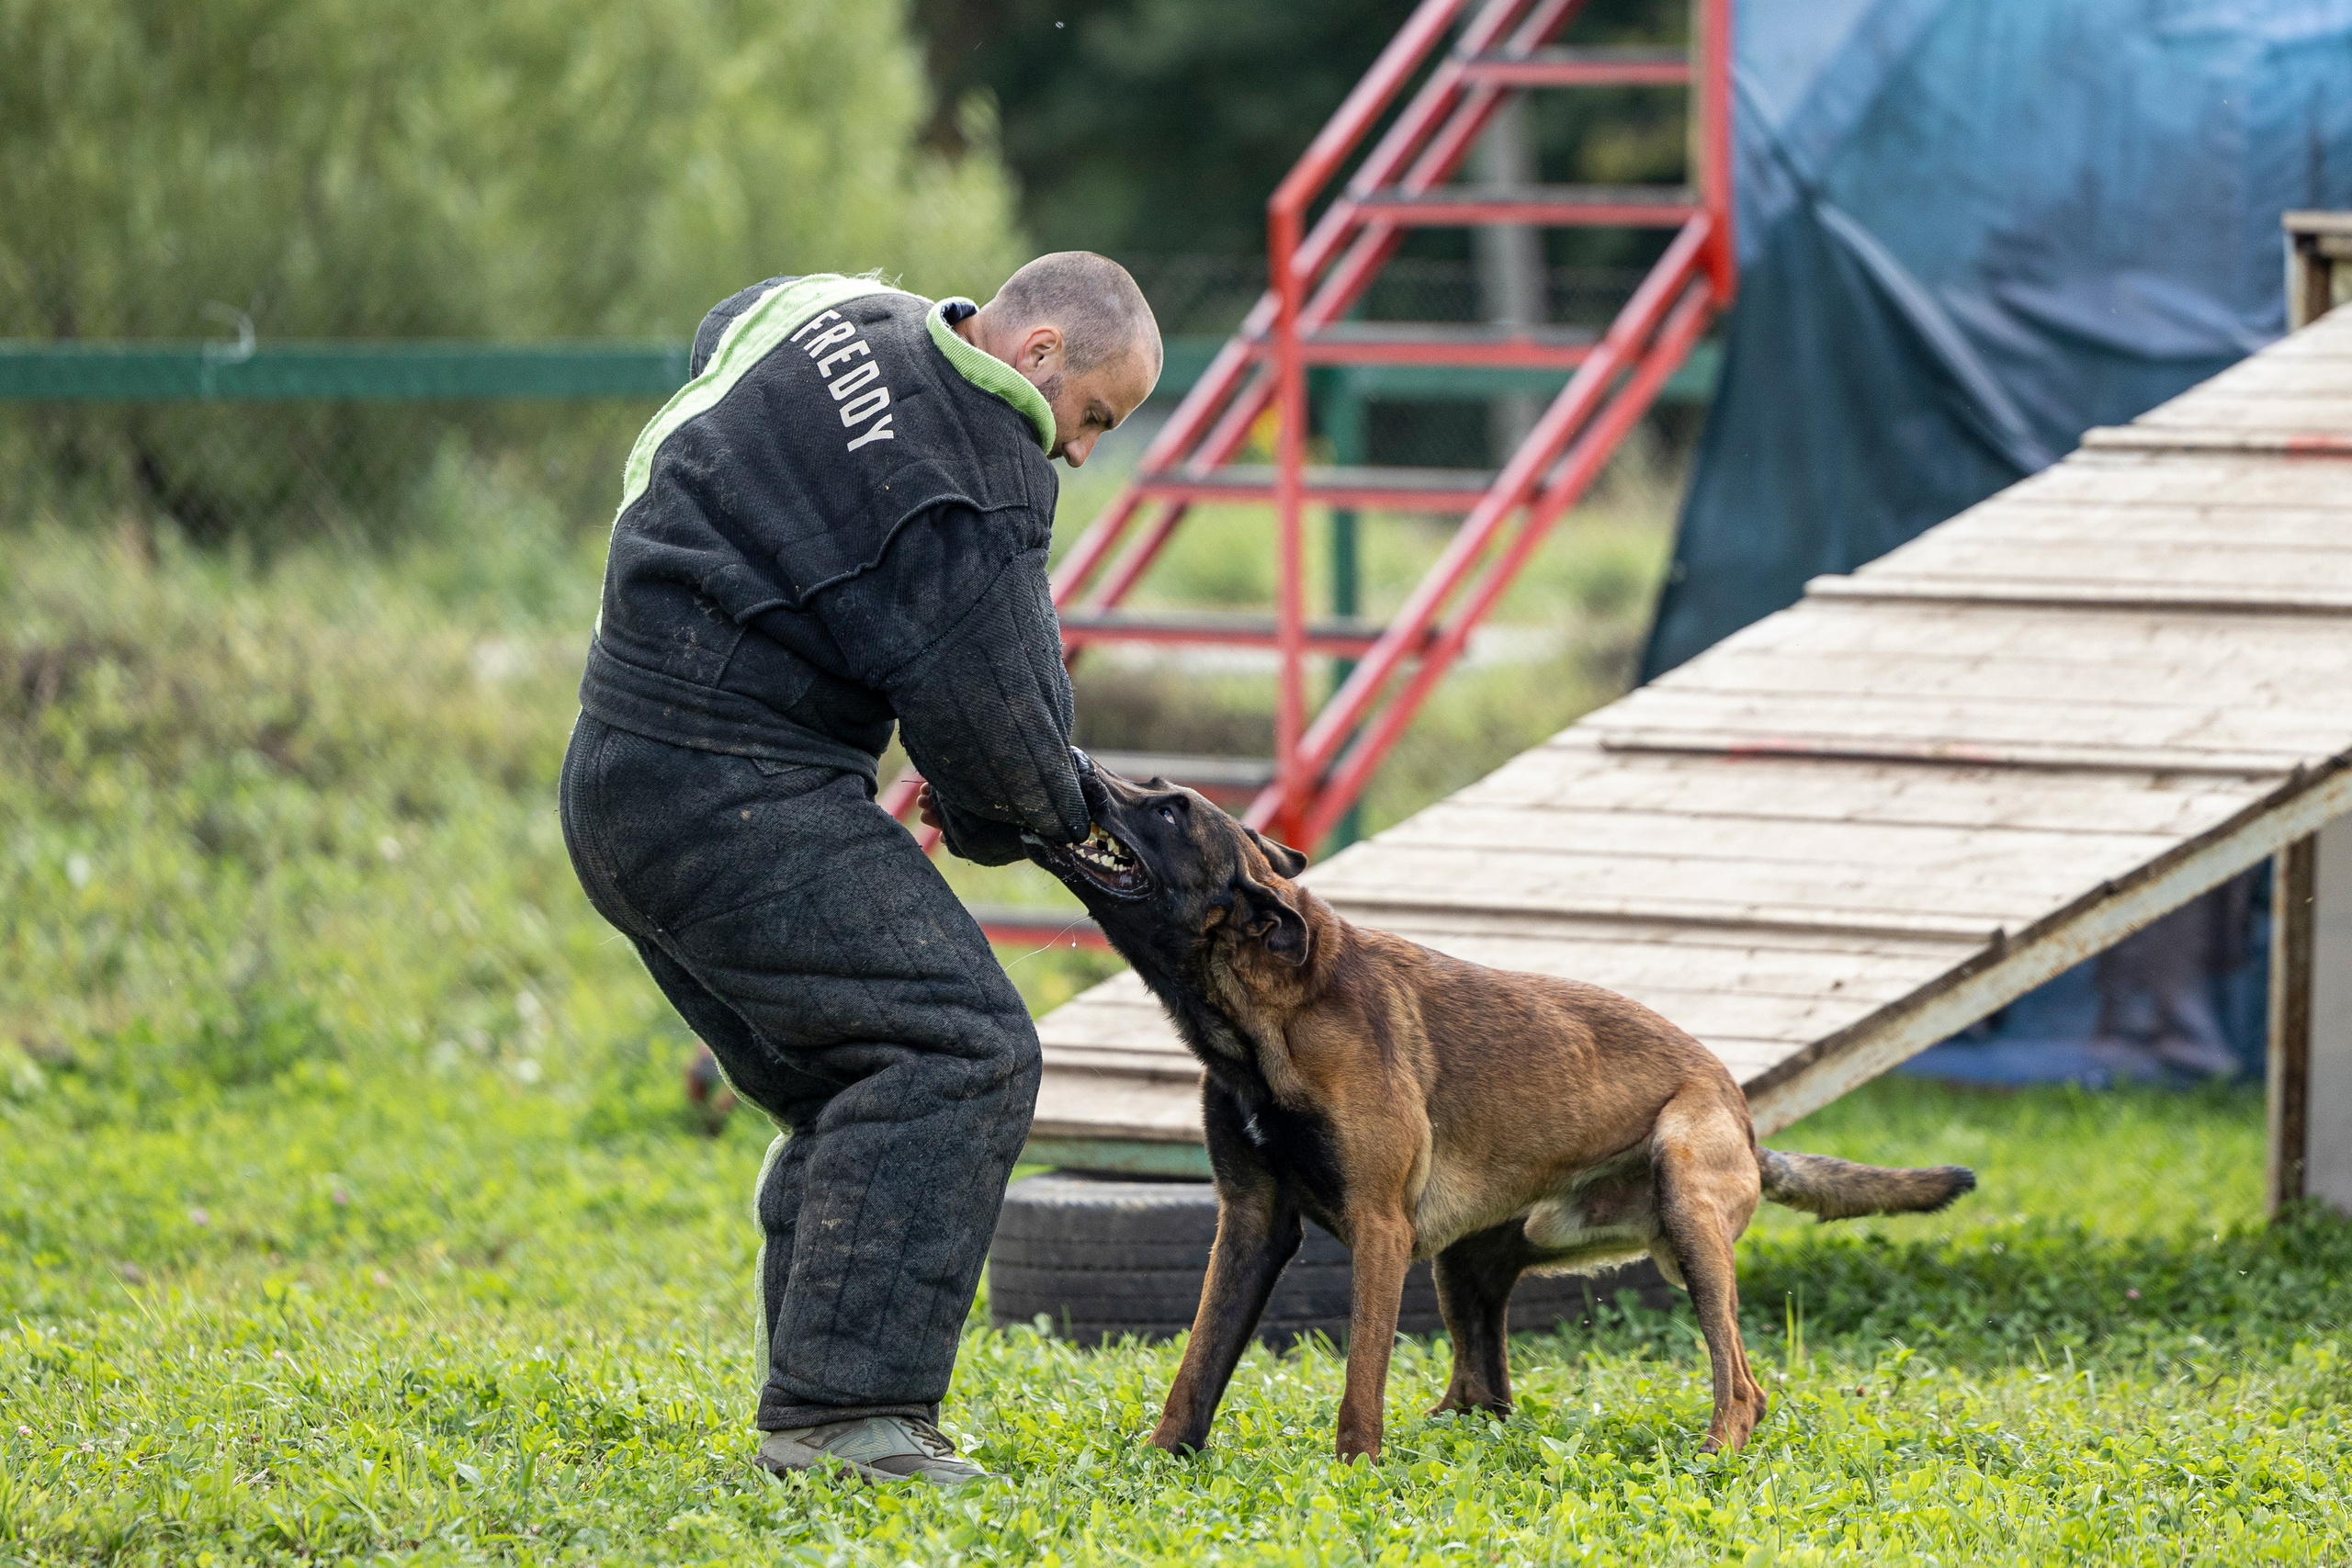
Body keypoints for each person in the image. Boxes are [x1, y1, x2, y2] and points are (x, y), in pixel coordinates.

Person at [559, 254, 1160, 1485]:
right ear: (1038, 352)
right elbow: (1005, 758)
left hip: (615, 767)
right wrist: (1034, 820)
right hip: (735, 793)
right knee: (959, 1046)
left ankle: (818, 1409)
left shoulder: (836, 308)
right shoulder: (980, 473)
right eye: (1093, 415)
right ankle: (851, 1423)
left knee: (857, 1072)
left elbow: (718, 328)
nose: (1082, 453)